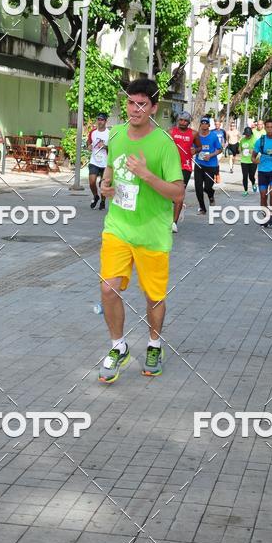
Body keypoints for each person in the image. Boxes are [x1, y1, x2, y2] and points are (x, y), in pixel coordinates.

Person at [98, 79, 184, 384]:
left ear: (153, 108)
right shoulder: (117, 134)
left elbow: (178, 194)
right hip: (118, 227)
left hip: (152, 233)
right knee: (108, 289)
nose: (134, 109)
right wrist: (104, 185)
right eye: (131, 103)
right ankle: (118, 347)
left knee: (153, 297)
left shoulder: (163, 144)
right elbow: (110, 168)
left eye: (141, 104)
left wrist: (146, 175)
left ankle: (154, 345)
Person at [169, 111, 200, 232]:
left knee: (179, 194)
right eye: (181, 120)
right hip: (170, 165)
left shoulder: (193, 133)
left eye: (185, 121)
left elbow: (199, 147)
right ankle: (178, 206)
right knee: (168, 193)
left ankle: (174, 223)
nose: (183, 122)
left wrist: (195, 150)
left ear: (189, 122)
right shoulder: (170, 132)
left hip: (185, 167)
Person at [194, 117, 222, 214]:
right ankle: (202, 208)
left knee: (207, 188)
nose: (204, 125)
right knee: (198, 188)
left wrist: (210, 155)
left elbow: (220, 149)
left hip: (210, 165)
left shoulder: (213, 136)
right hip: (199, 164)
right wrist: (194, 152)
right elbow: (194, 148)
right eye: (202, 123)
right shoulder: (197, 136)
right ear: (200, 125)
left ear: (209, 125)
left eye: (206, 123)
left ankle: (211, 196)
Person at [87, 113, 110, 210]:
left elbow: (113, 148)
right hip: (94, 161)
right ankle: (96, 196)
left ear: (105, 121)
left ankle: (103, 201)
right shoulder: (93, 132)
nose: (99, 122)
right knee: (92, 182)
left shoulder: (110, 133)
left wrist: (104, 146)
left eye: (101, 120)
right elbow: (88, 143)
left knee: (103, 184)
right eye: (98, 119)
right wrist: (89, 146)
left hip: (105, 163)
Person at [239, 126, 257, 195]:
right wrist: (240, 150)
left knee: (251, 176)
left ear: (251, 134)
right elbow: (240, 149)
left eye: (248, 135)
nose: (247, 136)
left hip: (253, 160)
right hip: (244, 160)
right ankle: (245, 190)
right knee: (245, 176)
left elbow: (258, 150)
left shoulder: (255, 140)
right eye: (246, 134)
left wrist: (253, 151)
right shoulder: (242, 140)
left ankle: (253, 183)